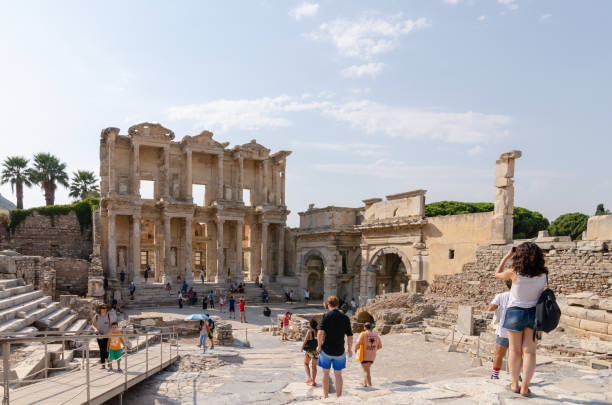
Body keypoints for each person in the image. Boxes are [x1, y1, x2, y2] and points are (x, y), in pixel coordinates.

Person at [494, 242, 548, 397]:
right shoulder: (544, 274)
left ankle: (514, 385)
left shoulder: (514, 273)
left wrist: (507, 256)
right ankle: (525, 387)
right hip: (534, 313)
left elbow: (496, 273)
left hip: (515, 313)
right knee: (529, 352)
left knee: (515, 351)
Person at [317, 296, 353, 399]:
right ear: (338, 304)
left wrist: (319, 346)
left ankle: (325, 396)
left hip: (326, 351)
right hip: (340, 351)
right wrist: (349, 349)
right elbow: (350, 336)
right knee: (338, 375)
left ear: (329, 304)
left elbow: (320, 333)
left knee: (325, 373)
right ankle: (339, 396)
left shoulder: (326, 316)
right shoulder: (345, 318)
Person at [488, 279, 513, 380]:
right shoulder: (522, 297)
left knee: (499, 354)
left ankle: (495, 375)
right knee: (517, 355)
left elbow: (490, 308)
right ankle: (518, 376)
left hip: (504, 330)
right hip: (519, 331)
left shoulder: (501, 296)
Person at [354, 322, 382, 387]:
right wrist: (373, 349)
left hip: (364, 355)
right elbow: (380, 346)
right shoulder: (376, 335)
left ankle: (370, 385)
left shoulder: (363, 334)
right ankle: (365, 383)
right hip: (372, 355)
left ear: (365, 327)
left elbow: (358, 344)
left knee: (365, 370)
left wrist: (356, 349)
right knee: (367, 369)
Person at [92, 304, 112, 369]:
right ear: (100, 309)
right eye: (102, 308)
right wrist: (95, 329)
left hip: (107, 335)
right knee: (101, 349)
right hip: (99, 335)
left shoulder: (109, 316)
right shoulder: (96, 316)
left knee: (107, 349)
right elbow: (93, 325)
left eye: (105, 308)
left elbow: (111, 325)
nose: (104, 309)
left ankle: (109, 363)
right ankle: (103, 365)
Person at [302, 318, 319, 386]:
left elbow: (305, 340)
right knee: (314, 367)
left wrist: (302, 347)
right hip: (317, 352)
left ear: (310, 325)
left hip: (310, 351)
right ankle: (313, 382)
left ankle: (309, 378)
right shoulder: (318, 331)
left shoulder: (309, 331)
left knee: (306, 364)